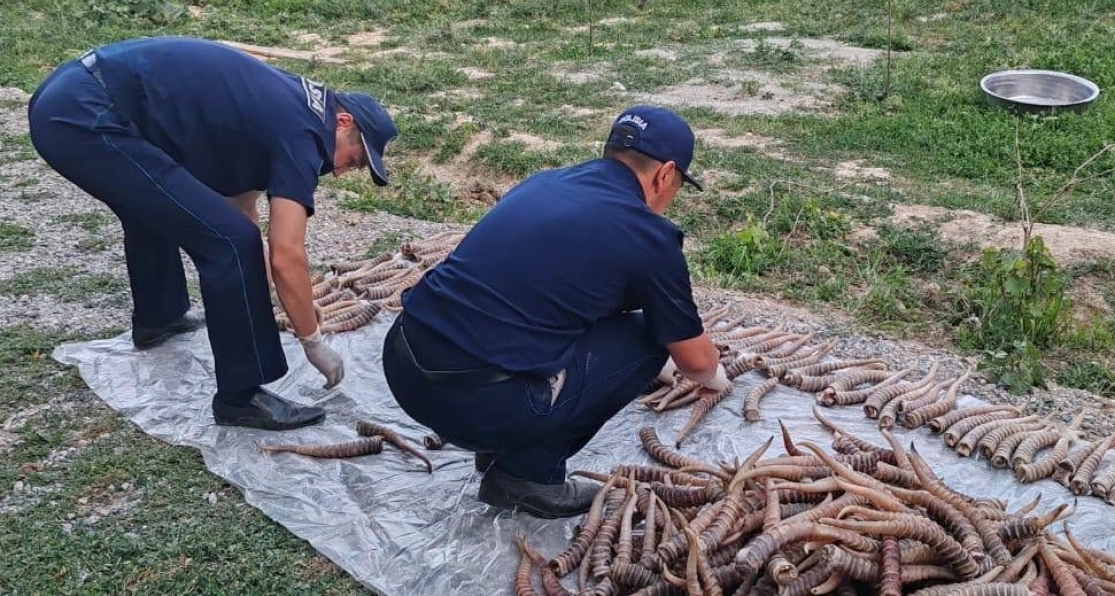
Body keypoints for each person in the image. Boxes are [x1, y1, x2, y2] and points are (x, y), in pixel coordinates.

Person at [28, 36, 398, 431]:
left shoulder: (297, 107)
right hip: (84, 116)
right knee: (230, 243)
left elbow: (241, 207)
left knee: (162, 205)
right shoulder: (305, 135)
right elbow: (286, 253)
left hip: (70, 93)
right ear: (344, 122)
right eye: (353, 160)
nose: (340, 172)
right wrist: (312, 339)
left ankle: (159, 317)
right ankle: (240, 396)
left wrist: (281, 294)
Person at [382, 105, 726, 518]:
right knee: (648, 341)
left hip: (404, 365)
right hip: (473, 404)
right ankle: (526, 476)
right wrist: (714, 375)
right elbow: (696, 362)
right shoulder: (648, 234)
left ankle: (498, 444)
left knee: (548, 315)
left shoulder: (544, 183)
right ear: (666, 174)